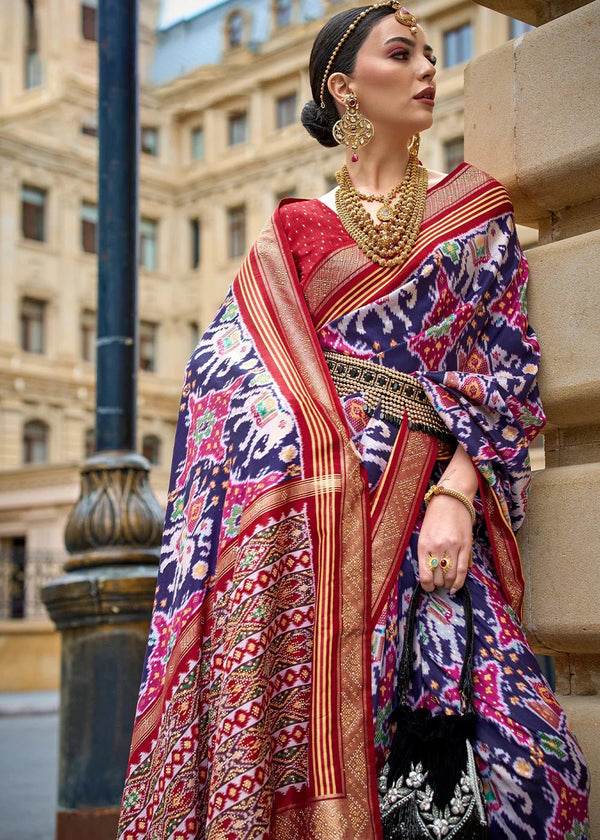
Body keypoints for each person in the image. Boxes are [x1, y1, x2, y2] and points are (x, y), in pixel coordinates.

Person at [117, 3, 590, 838]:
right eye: (402, 53)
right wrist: (303, 444)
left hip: (422, 517)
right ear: (345, 88)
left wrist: (457, 488)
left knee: (523, 755)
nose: (428, 69)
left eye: (432, 54)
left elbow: (505, 361)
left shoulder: (473, 206)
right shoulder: (296, 230)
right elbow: (222, 373)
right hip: (302, 534)